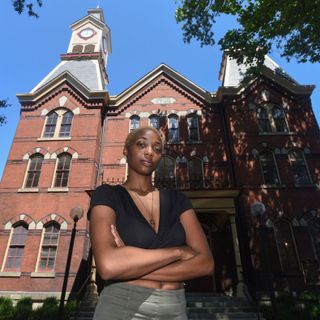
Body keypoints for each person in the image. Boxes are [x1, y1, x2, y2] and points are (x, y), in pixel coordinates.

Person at [89, 126, 214, 320]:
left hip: (175, 308)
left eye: (157, 148)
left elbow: (205, 264)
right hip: (122, 305)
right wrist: (179, 252)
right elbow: (108, 265)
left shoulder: (177, 200)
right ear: (126, 150)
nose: (149, 152)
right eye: (141, 144)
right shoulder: (108, 195)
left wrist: (129, 265)